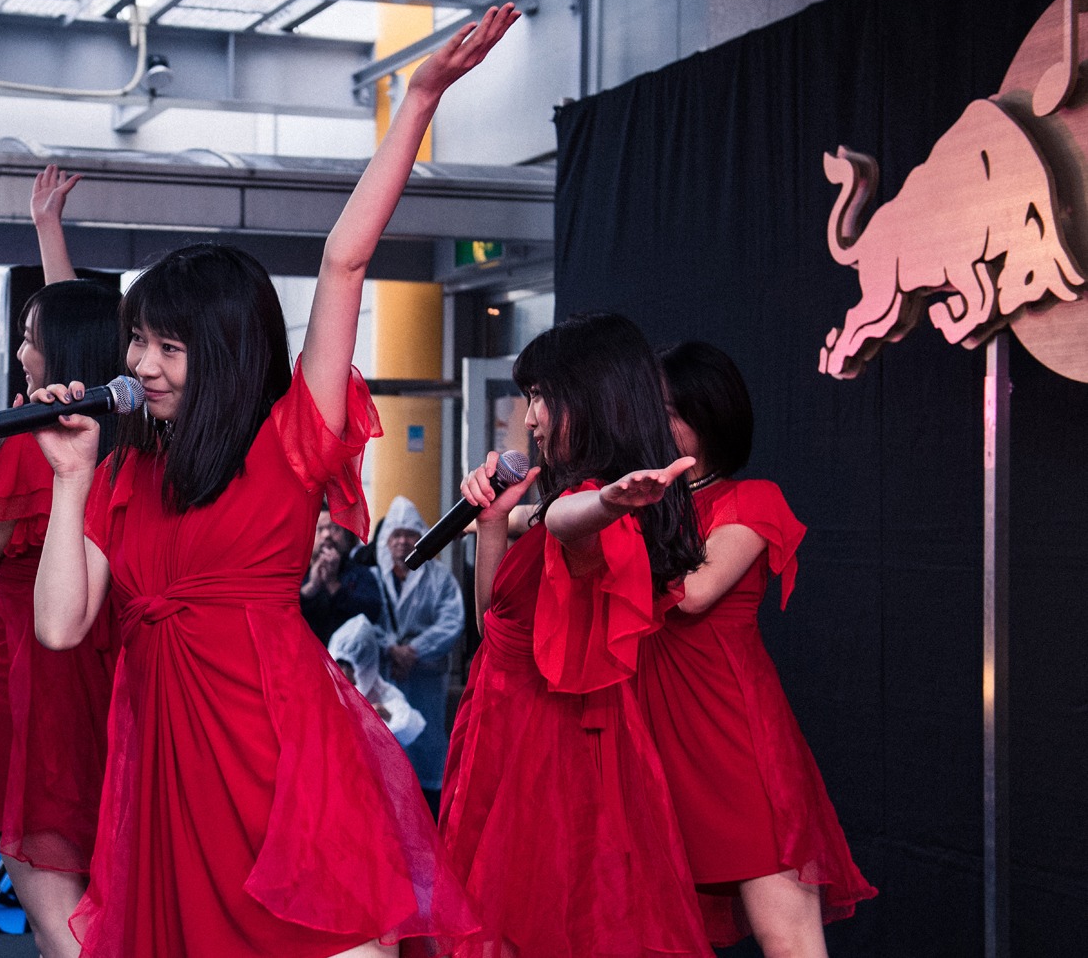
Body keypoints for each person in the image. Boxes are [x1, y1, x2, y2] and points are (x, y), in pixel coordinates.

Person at [29, 7, 516, 958]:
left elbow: (343, 260)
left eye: (170, 344)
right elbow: (57, 625)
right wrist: (71, 478)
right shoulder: (124, 472)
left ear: (222, 350)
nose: (145, 362)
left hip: (278, 751)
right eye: (138, 340)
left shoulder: (290, 440)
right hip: (170, 767)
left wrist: (416, 101)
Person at [440, 313, 713, 958]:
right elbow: (492, 619)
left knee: (537, 923)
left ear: (593, 398)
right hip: (496, 720)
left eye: (541, 398)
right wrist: (495, 522)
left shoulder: (597, 506)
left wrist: (610, 503)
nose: (529, 419)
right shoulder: (551, 498)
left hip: (547, 742)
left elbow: (572, 523)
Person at [0, 170, 125, 958]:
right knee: (95, 860)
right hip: (104, 672)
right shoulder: (122, 438)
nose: (20, 349)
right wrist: (48, 230)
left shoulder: (23, 451)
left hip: (31, 679)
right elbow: (83, 327)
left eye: (28, 336)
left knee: (48, 882)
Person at [635, 341, 876, 955]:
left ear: (709, 414)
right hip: (661, 738)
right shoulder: (645, 505)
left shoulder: (752, 500)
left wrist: (618, 514)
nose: (653, 426)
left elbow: (692, 593)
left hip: (734, 740)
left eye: (668, 411)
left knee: (789, 939)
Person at [370, 495, 464, 815]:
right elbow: (363, 624)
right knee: (386, 752)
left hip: (425, 680)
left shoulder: (439, 578)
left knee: (425, 749)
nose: (402, 541)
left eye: (410, 534)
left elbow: (452, 621)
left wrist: (413, 650)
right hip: (385, 679)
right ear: (385, 540)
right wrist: (390, 650)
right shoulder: (372, 578)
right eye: (396, 534)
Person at [327, 614, 425, 748]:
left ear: (367, 667)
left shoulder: (382, 693)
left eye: (351, 666)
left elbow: (412, 729)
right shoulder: (321, 691)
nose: (344, 674)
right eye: (339, 664)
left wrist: (389, 717)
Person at [300, 501, 382, 645]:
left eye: (334, 528)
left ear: (346, 536)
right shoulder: (294, 575)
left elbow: (371, 614)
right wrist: (310, 589)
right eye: (319, 529)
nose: (327, 535)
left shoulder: (360, 573)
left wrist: (333, 585)